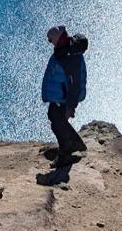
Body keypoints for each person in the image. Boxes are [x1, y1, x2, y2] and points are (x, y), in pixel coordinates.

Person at [41, 25, 88, 167]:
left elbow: (75, 85)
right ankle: (74, 144)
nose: (50, 43)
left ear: (57, 39)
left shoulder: (69, 56)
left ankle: (65, 154)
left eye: (51, 40)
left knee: (57, 123)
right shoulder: (64, 50)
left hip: (64, 98)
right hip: (60, 97)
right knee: (55, 119)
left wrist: (70, 106)